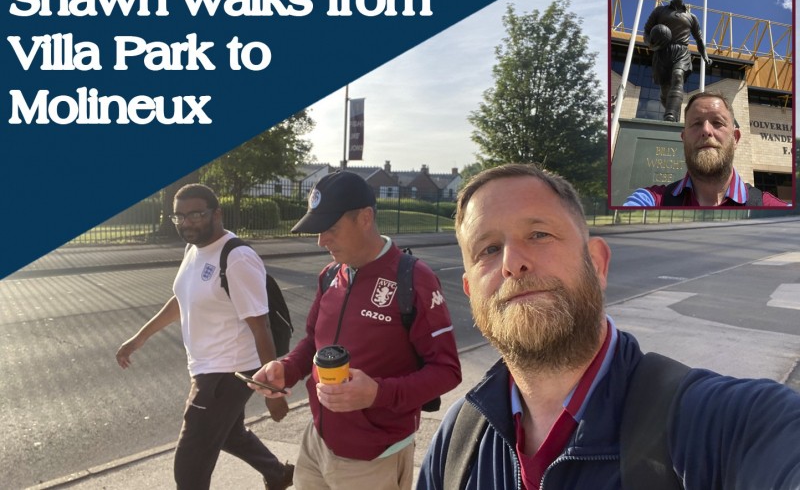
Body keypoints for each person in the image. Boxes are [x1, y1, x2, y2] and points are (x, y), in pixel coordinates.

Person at [417, 163, 800, 489]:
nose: (512, 263)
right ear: (470, 291)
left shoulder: (726, 423)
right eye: (487, 249)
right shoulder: (458, 441)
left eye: (538, 234)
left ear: (597, 263)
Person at [248, 170, 462, 490]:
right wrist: (287, 368)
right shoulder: (330, 274)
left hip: (374, 456)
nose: (321, 240)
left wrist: (377, 393)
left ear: (365, 218)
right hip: (317, 439)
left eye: (331, 229)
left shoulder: (414, 279)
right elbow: (313, 343)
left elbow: (447, 371)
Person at [115, 183, 294, 490]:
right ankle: (278, 474)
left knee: (189, 466)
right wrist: (139, 338)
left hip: (229, 371)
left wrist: (272, 392)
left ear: (217, 214)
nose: (187, 222)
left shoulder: (236, 257)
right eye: (179, 216)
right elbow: (182, 299)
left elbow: (260, 326)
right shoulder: (194, 249)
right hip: (207, 366)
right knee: (230, 433)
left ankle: (276, 474)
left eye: (196, 214)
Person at [624, 91, 788, 207]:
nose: (706, 131)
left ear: (735, 138)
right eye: (696, 123)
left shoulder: (771, 207)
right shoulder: (652, 200)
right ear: (684, 138)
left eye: (717, 123)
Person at [643, 0, 712, 122]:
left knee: (678, 77)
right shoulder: (659, 11)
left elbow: (699, 39)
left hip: (681, 52)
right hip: (662, 51)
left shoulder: (691, 17)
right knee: (665, 90)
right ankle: (672, 108)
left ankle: (670, 115)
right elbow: (646, 31)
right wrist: (651, 44)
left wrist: (704, 55)